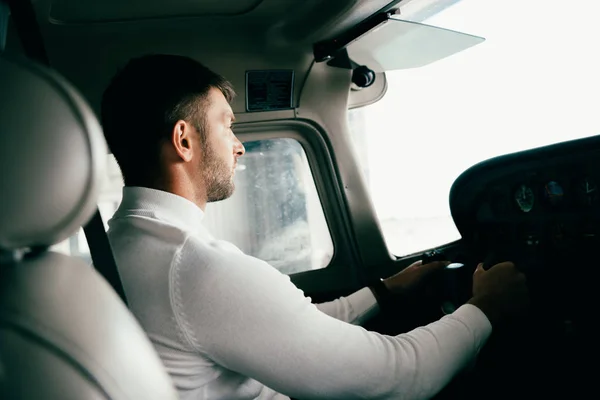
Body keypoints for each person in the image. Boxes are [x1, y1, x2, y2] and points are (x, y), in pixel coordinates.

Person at [101, 54, 529, 400]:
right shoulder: (194, 267)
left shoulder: (124, 245)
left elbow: (285, 322)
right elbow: (400, 376)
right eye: (227, 125)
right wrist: (487, 306)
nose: (239, 146)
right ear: (184, 140)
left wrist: (385, 289)